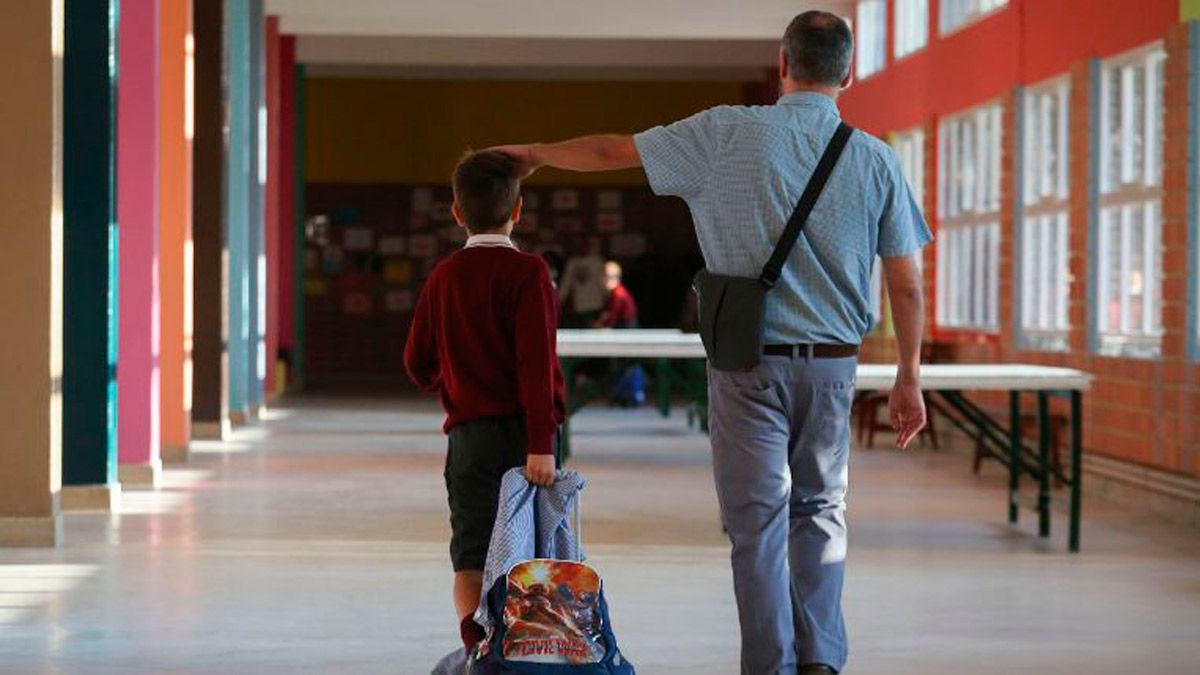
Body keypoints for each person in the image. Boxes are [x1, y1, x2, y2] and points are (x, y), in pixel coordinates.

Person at [489, 11, 931, 674]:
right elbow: (907, 284)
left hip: (745, 362)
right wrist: (908, 375)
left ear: (783, 63)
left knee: (757, 527)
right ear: (846, 72)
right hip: (834, 366)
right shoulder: (875, 160)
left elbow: (615, 151)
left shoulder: (724, 131)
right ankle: (822, 659)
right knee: (821, 509)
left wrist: (534, 153)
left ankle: (770, 663)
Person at [404, 150, 565, 654]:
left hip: (468, 437)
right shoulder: (529, 273)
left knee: (470, 555)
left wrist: (455, 385)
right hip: (523, 437)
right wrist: (541, 443)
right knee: (530, 555)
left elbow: (416, 361)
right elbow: (536, 365)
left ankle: (479, 649)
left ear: (457, 212)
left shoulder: (444, 276)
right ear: (519, 211)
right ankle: (524, 651)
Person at [557, 238, 607, 327]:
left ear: (590, 247)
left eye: (585, 245)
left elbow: (602, 282)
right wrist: (559, 300)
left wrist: (607, 297)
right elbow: (566, 283)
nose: (582, 248)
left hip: (595, 303)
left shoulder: (597, 261)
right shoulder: (573, 263)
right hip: (579, 305)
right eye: (580, 246)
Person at [594, 261, 638, 329]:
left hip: (627, 326)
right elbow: (610, 312)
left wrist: (606, 327)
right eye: (605, 276)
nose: (605, 280)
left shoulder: (619, 294)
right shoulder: (613, 293)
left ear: (617, 278)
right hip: (623, 324)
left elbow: (614, 315)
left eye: (609, 277)